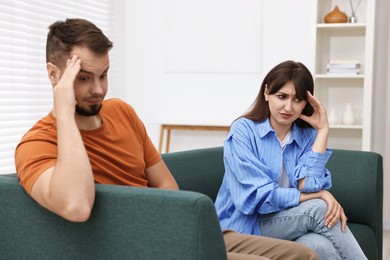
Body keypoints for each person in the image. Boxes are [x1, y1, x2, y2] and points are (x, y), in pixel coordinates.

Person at [14, 18, 319, 260]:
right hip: (130, 247)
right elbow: (77, 206)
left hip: (169, 230)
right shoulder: (37, 144)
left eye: (103, 75)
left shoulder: (121, 111)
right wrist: (64, 113)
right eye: (83, 78)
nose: (98, 89)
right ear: (55, 75)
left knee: (304, 255)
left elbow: (167, 187)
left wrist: (175, 230)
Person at [214, 60, 367, 259]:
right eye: (282, 96)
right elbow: (255, 199)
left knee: (319, 246)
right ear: (267, 92)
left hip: (284, 219)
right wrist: (319, 196)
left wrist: (322, 131)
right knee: (320, 209)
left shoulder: (305, 135)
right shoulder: (243, 131)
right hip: (244, 225)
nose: (288, 107)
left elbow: (307, 185)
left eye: (297, 99)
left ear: (307, 103)